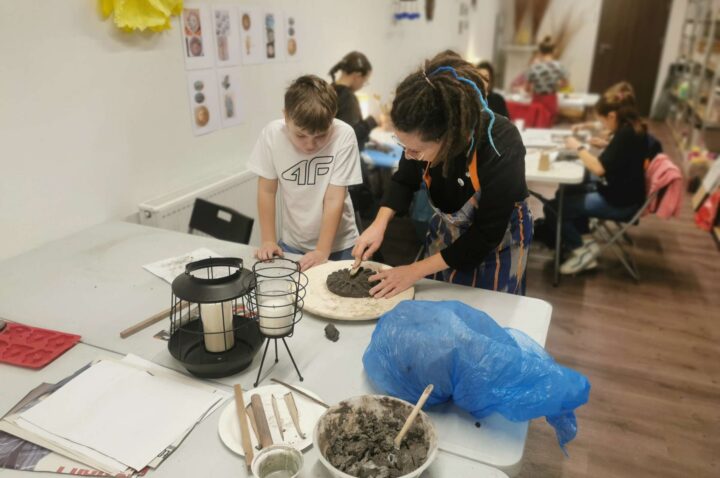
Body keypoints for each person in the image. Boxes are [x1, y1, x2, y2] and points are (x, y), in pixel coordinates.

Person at [352, 52, 532, 298]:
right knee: (437, 300)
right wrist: (378, 225)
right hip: (447, 231)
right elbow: (404, 180)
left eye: (416, 150)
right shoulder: (420, 133)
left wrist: (413, 270)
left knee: (485, 308)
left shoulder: (500, 143)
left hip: (497, 240)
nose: (409, 155)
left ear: (451, 138)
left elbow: (486, 235)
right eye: (404, 146)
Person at [248, 75, 362, 271]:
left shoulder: (344, 135)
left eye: (321, 136)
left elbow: (334, 198)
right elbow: (267, 191)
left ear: (333, 117)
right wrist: (268, 240)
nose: (310, 145)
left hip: (340, 244)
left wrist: (322, 251)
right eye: (301, 135)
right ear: (286, 117)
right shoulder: (272, 135)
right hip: (293, 243)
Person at [543, 92, 650, 274]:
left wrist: (577, 147)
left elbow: (599, 169)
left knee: (553, 208)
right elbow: (623, 155)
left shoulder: (625, 134)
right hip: (622, 193)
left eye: (603, 121)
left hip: (620, 203)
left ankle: (582, 252)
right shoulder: (633, 128)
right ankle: (585, 239)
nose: (604, 126)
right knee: (568, 190)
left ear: (612, 116)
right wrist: (608, 146)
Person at [329, 51, 381, 151]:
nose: (362, 85)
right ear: (357, 76)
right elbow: (349, 136)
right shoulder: (347, 98)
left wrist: (367, 139)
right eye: (365, 81)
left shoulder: (330, 89)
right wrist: (372, 121)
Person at [526, 36, 568, 126]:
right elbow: (565, 84)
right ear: (553, 51)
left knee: (535, 126)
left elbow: (527, 88)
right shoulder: (559, 66)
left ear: (540, 52)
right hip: (551, 100)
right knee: (548, 126)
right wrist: (556, 85)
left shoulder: (534, 67)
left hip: (537, 100)